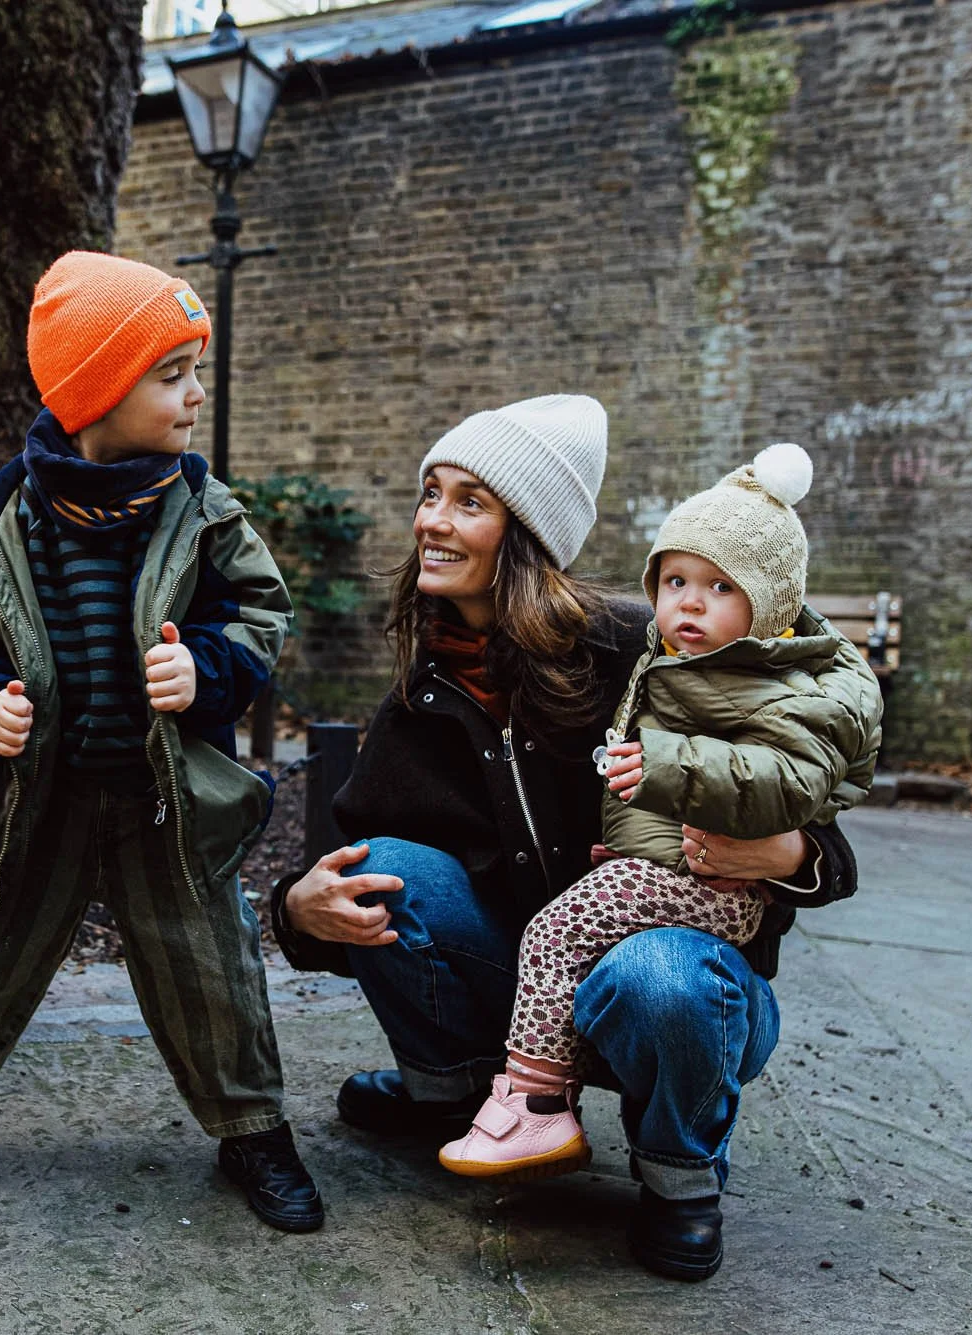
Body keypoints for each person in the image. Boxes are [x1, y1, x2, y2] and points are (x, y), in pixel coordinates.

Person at [270, 395, 881, 1279]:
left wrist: (793, 855)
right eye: (431, 493)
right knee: (387, 871)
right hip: (528, 978)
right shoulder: (430, 685)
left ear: (525, 533)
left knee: (657, 972)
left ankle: (679, 1172)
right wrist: (297, 909)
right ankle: (452, 1091)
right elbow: (350, 855)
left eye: (469, 502)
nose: (432, 520)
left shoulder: (646, 647)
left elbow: (814, 808)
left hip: (674, 983)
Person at [0, 251, 324, 1233]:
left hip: (166, 801)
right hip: (31, 799)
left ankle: (252, 1126)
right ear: (97, 391)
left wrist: (207, 668)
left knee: (210, 964)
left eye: (194, 372)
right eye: (171, 375)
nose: (194, 395)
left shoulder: (204, 508)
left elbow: (260, 612)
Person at [437, 441, 881, 1182]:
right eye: (675, 580)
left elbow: (792, 781)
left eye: (720, 586)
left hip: (715, 894)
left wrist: (783, 849)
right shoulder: (663, 655)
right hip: (667, 870)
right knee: (572, 940)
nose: (690, 602)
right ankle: (484, 1093)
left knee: (567, 936)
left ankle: (544, 1110)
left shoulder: (787, 687)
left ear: (770, 605)